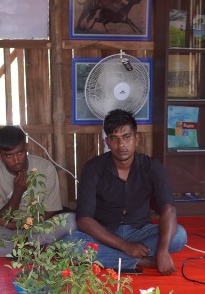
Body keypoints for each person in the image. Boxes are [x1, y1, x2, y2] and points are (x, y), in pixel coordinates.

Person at [70, 109, 186, 274]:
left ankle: (113, 258)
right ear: (107, 142)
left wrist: (163, 250)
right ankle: (141, 261)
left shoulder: (151, 167)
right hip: (105, 234)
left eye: (126, 137)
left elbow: (169, 208)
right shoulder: (93, 168)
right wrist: (125, 246)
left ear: (136, 138)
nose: (121, 145)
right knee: (70, 243)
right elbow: (84, 220)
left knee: (179, 235)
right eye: (114, 139)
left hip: (140, 232)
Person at [0, 125, 74, 257]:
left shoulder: (46, 168)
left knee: (72, 220)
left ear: (26, 148)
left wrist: (18, 225)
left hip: (39, 228)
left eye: (20, 153)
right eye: (9, 156)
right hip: (6, 232)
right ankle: (32, 248)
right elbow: (0, 219)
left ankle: (20, 249)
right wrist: (18, 191)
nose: (16, 160)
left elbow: (51, 211)